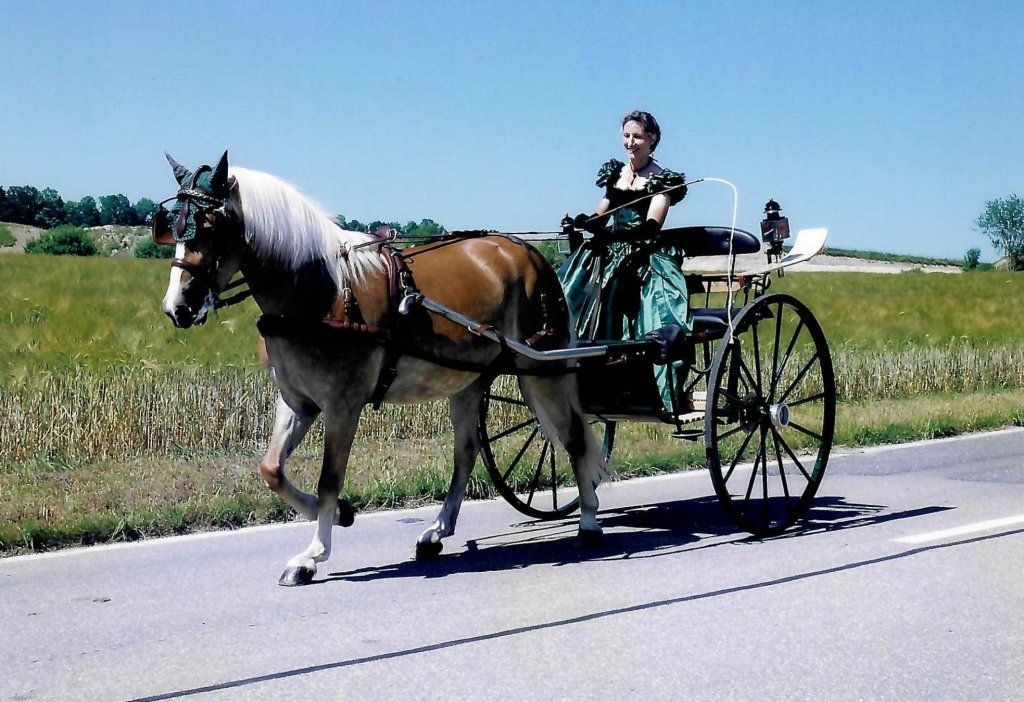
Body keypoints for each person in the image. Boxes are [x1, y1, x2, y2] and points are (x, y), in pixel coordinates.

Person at [558, 110, 690, 412]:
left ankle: (632, 374)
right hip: (610, 252)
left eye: (638, 137)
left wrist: (626, 236)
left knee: (618, 289)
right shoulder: (615, 173)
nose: (631, 143)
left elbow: (653, 223)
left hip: (644, 255)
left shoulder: (661, 180)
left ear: (652, 139)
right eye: (627, 136)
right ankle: (578, 369)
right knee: (571, 288)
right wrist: (587, 222)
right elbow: (601, 212)